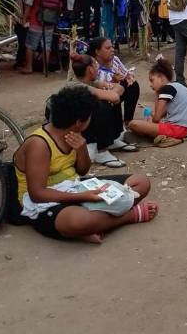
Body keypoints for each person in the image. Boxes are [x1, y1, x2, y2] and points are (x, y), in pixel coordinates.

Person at [12, 85, 158, 243]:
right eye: (90, 117)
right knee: (77, 221)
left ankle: (97, 224)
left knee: (141, 183)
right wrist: (83, 196)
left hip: (74, 186)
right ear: (78, 122)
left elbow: (82, 171)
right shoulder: (39, 145)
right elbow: (38, 194)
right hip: (45, 202)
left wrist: (82, 150)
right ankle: (128, 216)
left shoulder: (74, 134)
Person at [68, 55, 134, 168]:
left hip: (80, 119)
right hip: (68, 122)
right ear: (90, 69)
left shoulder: (90, 81)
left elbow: (119, 87)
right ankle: (101, 151)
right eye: (96, 65)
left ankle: (113, 139)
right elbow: (114, 95)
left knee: (109, 100)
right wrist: (113, 94)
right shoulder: (79, 86)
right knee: (103, 105)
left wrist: (113, 93)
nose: (98, 68)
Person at [127, 58, 187, 147]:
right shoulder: (176, 86)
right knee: (146, 123)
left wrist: (157, 94)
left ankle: (164, 137)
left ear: (161, 77)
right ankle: (156, 135)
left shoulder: (166, 89)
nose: (151, 85)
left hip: (179, 129)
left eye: (152, 80)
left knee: (133, 124)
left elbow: (156, 118)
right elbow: (162, 115)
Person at [87, 37, 140, 137]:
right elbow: (97, 89)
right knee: (114, 95)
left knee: (133, 85)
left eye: (112, 47)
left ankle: (128, 121)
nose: (112, 50)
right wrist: (114, 81)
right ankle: (115, 129)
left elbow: (126, 73)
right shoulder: (92, 67)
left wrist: (129, 77)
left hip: (114, 91)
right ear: (97, 52)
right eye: (108, 48)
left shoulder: (114, 60)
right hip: (101, 97)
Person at [19, 0, 53, 75]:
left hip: (36, 21)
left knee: (30, 45)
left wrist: (24, 19)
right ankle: (45, 69)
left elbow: (28, 5)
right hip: (50, 22)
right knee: (47, 46)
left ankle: (29, 67)